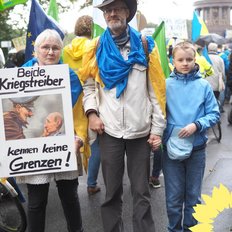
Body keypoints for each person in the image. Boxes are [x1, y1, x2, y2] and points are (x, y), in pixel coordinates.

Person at [78, 0, 166, 231]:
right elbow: (89, 88)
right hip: (109, 131)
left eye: (117, 8)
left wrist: (157, 129)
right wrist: (91, 114)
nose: (112, 13)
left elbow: (156, 91)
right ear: (104, 15)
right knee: (112, 192)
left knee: (141, 193)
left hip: (140, 132)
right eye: (108, 10)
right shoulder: (95, 47)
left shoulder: (146, 46)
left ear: (128, 12)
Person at [17, 29, 84, 232]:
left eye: (55, 48)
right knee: (36, 201)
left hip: (66, 144)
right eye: (45, 47)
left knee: (70, 197)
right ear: (35, 50)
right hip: (34, 148)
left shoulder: (70, 77)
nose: (50, 52)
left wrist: (79, 137)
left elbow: (79, 113)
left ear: (60, 51)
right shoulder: (19, 77)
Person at [162, 41, 220, 231]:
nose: (185, 63)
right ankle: (174, 228)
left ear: (195, 60)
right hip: (171, 150)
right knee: (173, 197)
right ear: (173, 61)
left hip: (196, 149)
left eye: (189, 59)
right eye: (180, 59)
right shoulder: (165, 85)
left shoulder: (203, 85)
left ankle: (190, 228)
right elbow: (158, 113)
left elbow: (214, 113)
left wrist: (197, 125)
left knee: (193, 196)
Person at [63, 15, 101, 195]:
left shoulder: (64, 50)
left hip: (70, 101)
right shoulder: (94, 46)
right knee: (94, 143)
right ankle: (91, 183)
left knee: (74, 139)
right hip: (90, 100)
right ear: (91, 30)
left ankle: (68, 179)